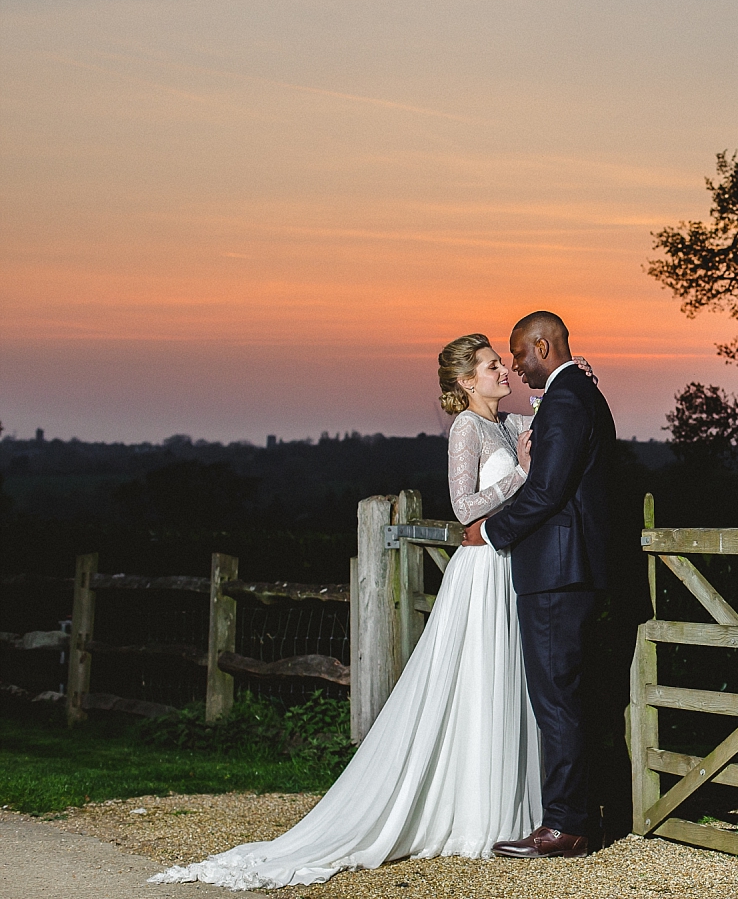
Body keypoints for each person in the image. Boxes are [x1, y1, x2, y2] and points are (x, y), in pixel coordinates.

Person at [151, 334, 565, 889]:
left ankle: (505, 808)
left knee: (505, 678)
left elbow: (544, 420)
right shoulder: (466, 429)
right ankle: (472, 814)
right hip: (482, 567)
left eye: (502, 366)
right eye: (493, 367)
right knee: (477, 676)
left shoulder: (505, 424)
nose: (505, 374)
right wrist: (518, 473)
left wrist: (570, 371)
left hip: (510, 568)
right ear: (467, 382)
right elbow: (462, 505)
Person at [462, 310, 615, 860]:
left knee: (556, 700)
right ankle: (582, 814)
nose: (515, 366)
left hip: (557, 571)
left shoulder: (569, 397)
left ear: (543, 346)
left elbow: (549, 489)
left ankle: (566, 824)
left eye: (519, 353)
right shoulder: (576, 391)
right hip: (568, 568)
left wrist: (493, 531)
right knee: (568, 695)